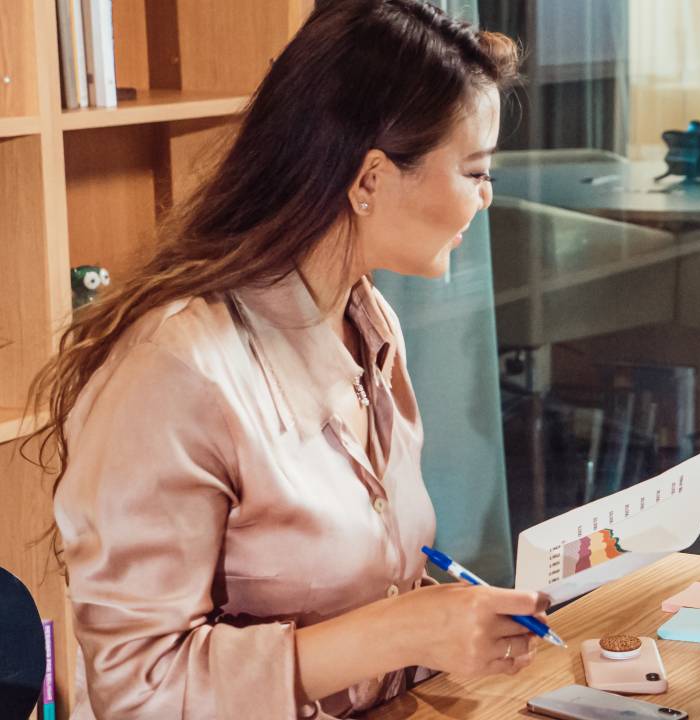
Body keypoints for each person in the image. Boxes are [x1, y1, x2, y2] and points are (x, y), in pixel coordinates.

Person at [23, 2, 546, 717]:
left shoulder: (366, 318)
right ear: (369, 180)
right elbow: (136, 692)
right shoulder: (176, 369)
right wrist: (399, 631)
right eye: (474, 170)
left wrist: (443, 622)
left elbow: (342, 588)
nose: (485, 198)